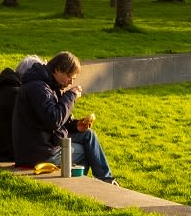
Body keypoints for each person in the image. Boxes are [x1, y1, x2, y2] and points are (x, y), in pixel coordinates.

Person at [12, 51, 117, 184]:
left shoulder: (48, 85)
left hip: (45, 142)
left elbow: (54, 119)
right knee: (85, 152)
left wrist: (76, 125)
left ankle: (106, 179)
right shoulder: (38, 88)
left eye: (73, 78)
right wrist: (70, 96)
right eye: (69, 76)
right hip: (38, 152)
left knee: (88, 134)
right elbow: (53, 119)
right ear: (57, 70)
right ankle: (81, 185)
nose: (71, 81)